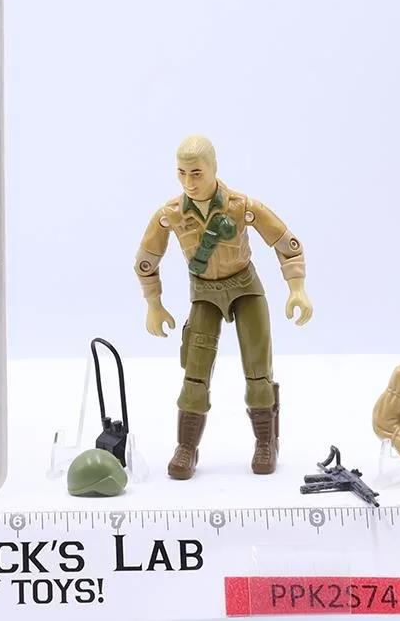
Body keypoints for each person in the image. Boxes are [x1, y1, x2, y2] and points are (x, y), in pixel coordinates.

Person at [134, 135, 312, 479]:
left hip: (245, 289)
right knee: (195, 374)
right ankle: (186, 447)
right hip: (204, 294)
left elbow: (286, 243)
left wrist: (297, 288)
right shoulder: (170, 215)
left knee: (258, 371)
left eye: (197, 173)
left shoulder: (240, 206)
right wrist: (154, 304)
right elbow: (146, 261)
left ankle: (266, 442)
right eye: (182, 173)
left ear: (214, 168)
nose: (189, 182)